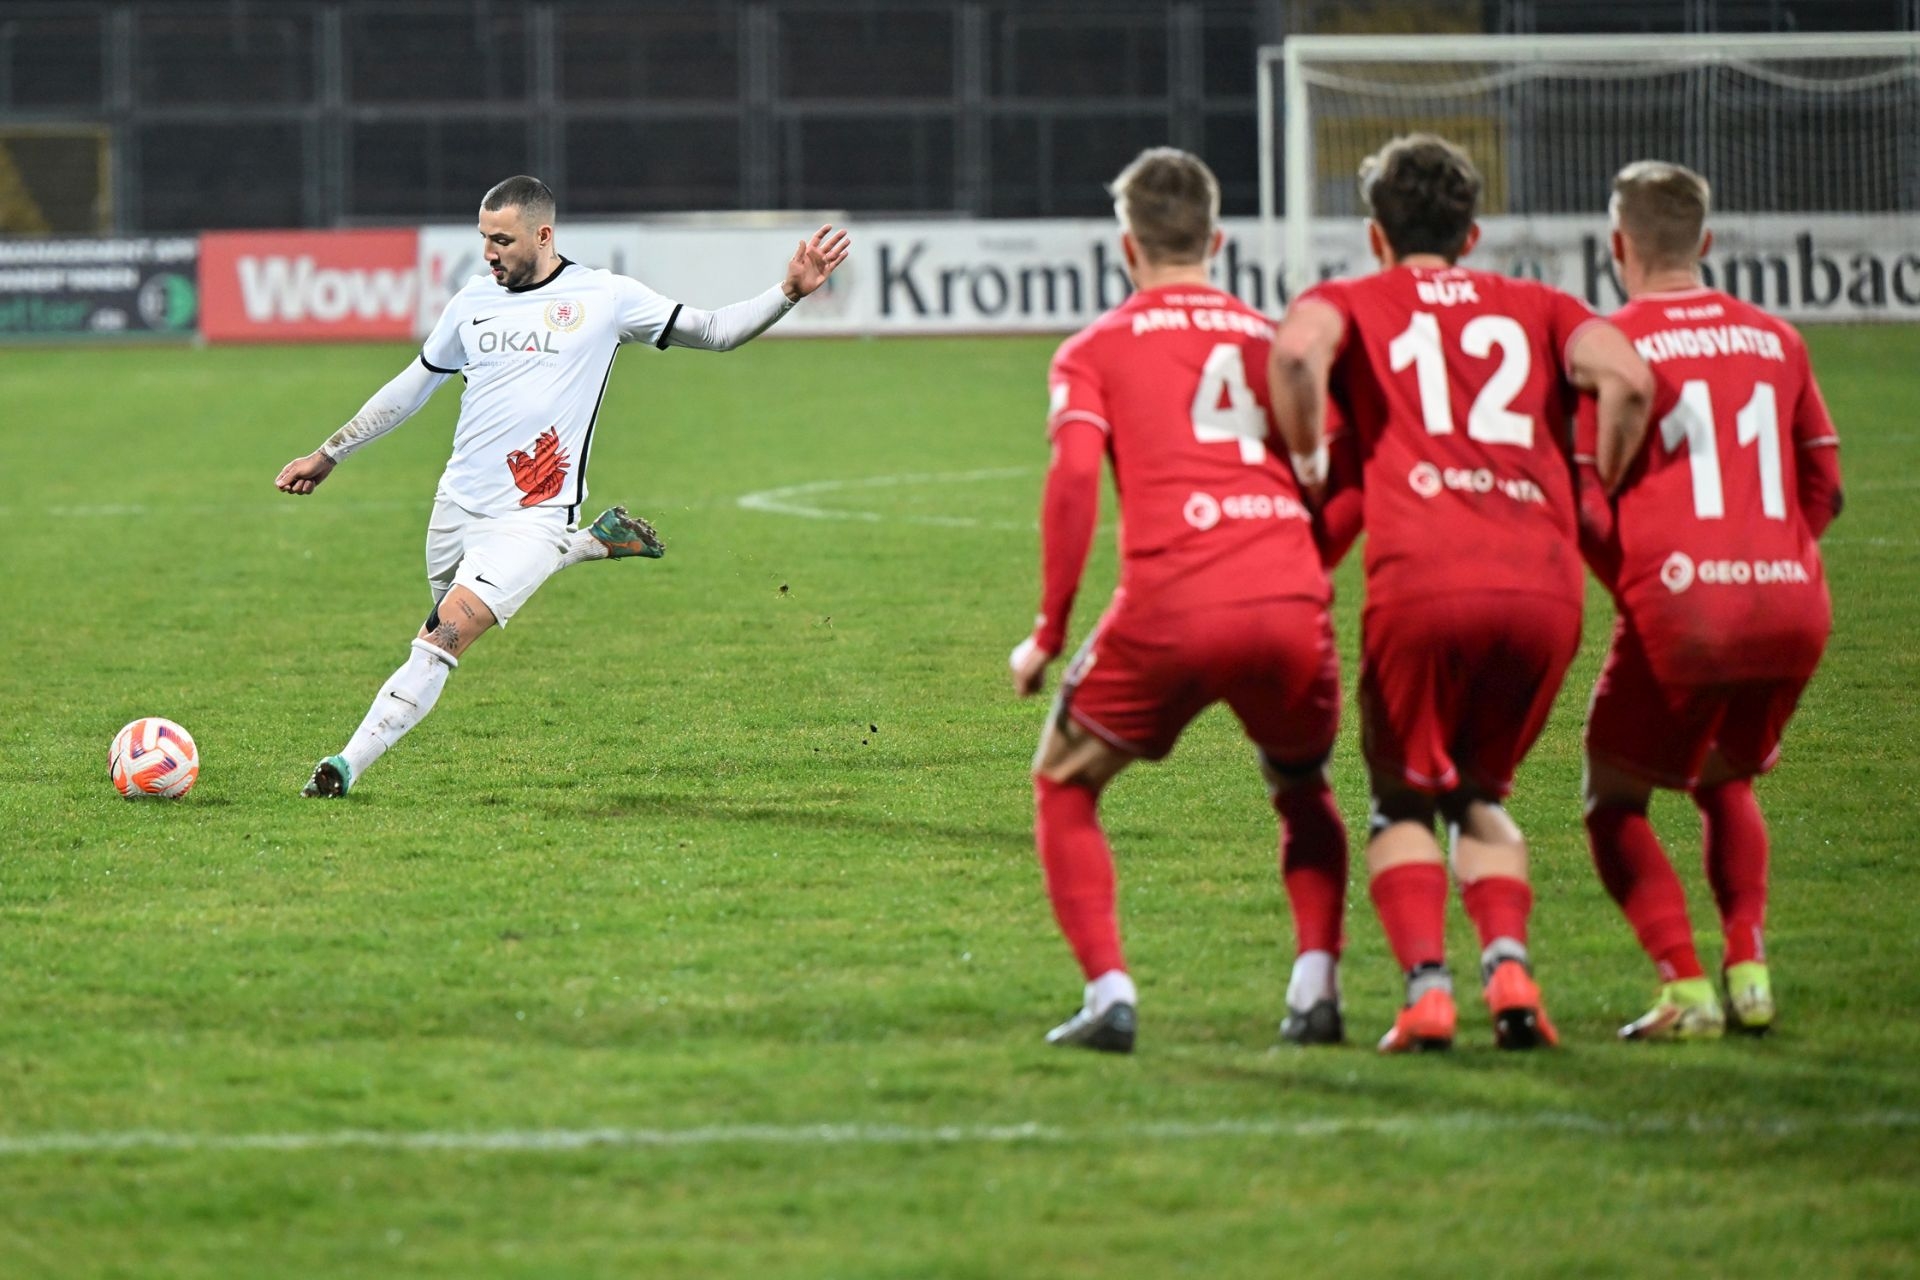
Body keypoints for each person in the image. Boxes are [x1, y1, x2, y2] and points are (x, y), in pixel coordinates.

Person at [275, 175, 849, 797]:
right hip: (456, 506)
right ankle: (588, 543)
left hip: (531, 515)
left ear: (543, 235)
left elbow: (713, 331)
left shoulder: (604, 297)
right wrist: (330, 452)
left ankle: (344, 766)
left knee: (439, 641)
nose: (489, 253)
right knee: (441, 612)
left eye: (502, 240)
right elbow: (413, 386)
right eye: (483, 239)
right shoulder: (471, 301)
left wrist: (788, 291)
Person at [1268, 134, 1655, 1052]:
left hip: (1427, 580)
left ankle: (1427, 991)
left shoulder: (1350, 299)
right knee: (1481, 790)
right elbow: (1632, 381)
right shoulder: (1545, 305)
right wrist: (1591, 490)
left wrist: (1313, 458)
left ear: (1374, 235)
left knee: (1402, 800)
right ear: (1473, 233)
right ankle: (1510, 972)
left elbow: (1292, 360)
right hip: (1544, 586)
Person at [1009, 147, 1350, 1054]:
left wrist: (1049, 631)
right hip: (1288, 601)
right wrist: (1305, 569)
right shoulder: (1280, 343)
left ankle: (1111, 994)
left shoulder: (1096, 350)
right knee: (1302, 785)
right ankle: (1317, 988)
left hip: (1170, 606)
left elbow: (1075, 478)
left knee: (1063, 781)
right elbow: (1341, 477)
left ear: (1127, 246)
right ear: (1219, 239)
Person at [1577, 160, 1842, 1040]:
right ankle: (1751, 968)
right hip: (1793, 605)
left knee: (1611, 798)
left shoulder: (1610, 345)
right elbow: (1825, 488)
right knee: (1726, 777)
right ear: (1708, 243)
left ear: (1618, 245)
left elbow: (1589, 504)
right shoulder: (1777, 338)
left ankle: (1687, 989)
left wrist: (1647, 587)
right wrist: (1774, 562)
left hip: (1685, 607)